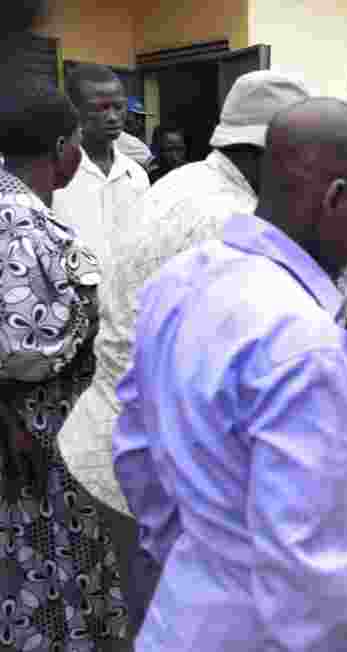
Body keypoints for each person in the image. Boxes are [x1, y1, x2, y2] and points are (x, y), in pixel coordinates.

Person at [113, 98, 347, 651]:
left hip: (184, 613)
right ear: (334, 199)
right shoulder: (304, 344)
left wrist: (203, 560)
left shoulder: (180, 280)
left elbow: (135, 454)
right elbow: (312, 586)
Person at [0, 79, 132, 651]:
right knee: (47, 556)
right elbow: (22, 346)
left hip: (37, 420)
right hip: (38, 426)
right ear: (61, 147)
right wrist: (89, 321)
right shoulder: (22, 224)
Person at [53, 63, 150, 264]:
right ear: (74, 110)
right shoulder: (53, 176)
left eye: (119, 106)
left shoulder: (136, 175)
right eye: (100, 108)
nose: (113, 117)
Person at [115, 96, 155, 169]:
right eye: (136, 117)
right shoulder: (135, 144)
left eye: (142, 118)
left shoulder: (106, 136)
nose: (140, 123)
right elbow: (154, 168)